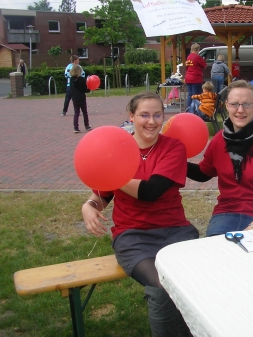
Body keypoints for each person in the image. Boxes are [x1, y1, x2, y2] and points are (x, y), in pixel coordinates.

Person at [82, 92, 199, 336]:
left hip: (175, 231)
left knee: (189, 283)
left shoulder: (173, 148)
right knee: (161, 285)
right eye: (144, 115)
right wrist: (88, 206)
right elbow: (102, 194)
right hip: (133, 237)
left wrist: (114, 172)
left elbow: (150, 191)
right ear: (131, 116)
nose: (151, 121)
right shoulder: (116, 149)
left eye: (157, 115)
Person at [186, 80, 253, 236]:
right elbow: (204, 173)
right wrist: (175, 161)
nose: (240, 110)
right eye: (235, 104)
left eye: (247, 104)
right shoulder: (219, 140)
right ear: (226, 106)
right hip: (226, 213)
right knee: (217, 255)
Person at [69, 64, 92, 133]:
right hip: (81, 97)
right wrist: (89, 89)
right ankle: (87, 125)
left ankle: (76, 127)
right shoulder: (82, 79)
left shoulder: (71, 79)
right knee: (84, 112)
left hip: (75, 98)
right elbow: (85, 90)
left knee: (76, 112)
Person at [185, 43, 206, 109]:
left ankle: (188, 108)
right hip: (195, 78)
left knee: (190, 95)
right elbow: (204, 65)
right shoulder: (197, 57)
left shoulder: (188, 57)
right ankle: (195, 109)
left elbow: (187, 67)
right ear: (197, 49)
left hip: (188, 77)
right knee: (196, 95)